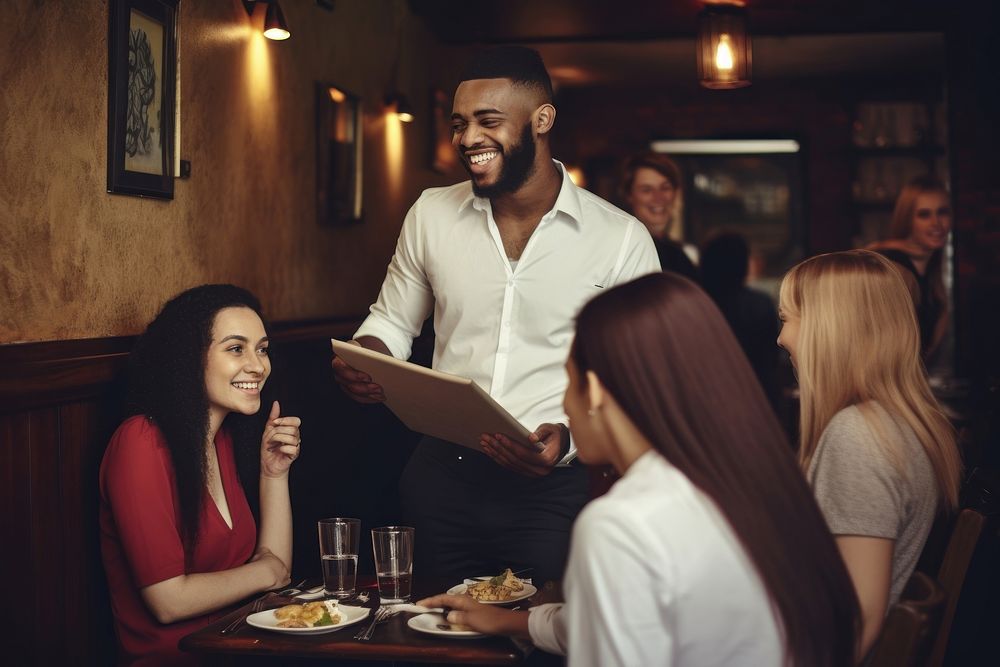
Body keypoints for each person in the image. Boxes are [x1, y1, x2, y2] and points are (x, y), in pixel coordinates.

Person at [331, 46, 659, 583]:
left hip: (553, 491)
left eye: (488, 121)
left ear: (542, 119)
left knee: (542, 644)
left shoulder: (621, 239)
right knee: (436, 636)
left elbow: (640, 380)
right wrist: (365, 358)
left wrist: (570, 441)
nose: (467, 139)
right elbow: (390, 324)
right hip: (439, 479)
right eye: (460, 124)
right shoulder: (431, 214)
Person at [418, 272, 859, 667]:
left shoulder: (622, 522)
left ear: (592, 390)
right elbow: (643, 618)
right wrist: (511, 622)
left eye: (567, 383)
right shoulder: (747, 480)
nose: (566, 407)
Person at [99, 285, 302, 665]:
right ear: (190, 359)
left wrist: (274, 475)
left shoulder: (221, 441)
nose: (258, 365)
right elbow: (168, 601)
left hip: (238, 650)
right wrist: (267, 573)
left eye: (262, 348)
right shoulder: (140, 442)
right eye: (236, 348)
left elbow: (277, 567)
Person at [777, 250, 962, 659]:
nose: (781, 338)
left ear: (829, 327)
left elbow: (858, 620)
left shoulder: (858, 435)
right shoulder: (895, 424)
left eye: (787, 318)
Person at [869, 175, 951, 359]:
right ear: (907, 219)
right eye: (924, 214)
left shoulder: (930, 268)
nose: (936, 223)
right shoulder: (894, 266)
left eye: (942, 212)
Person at [700, 231, 780, 411]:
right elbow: (770, 358)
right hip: (757, 394)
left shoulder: (695, 303)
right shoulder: (760, 304)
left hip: (708, 397)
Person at [617, 151, 698, 281]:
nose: (658, 197)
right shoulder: (622, 250)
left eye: (665, 188)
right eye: (647, 190)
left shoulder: (678, 256)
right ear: (629, 196)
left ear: (676, 192)